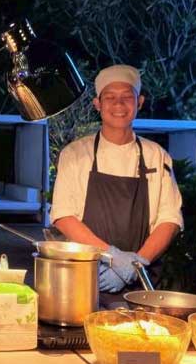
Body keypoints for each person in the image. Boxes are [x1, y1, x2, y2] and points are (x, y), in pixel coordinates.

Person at [50, 65, 183, 308]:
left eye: (127, 97)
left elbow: (170, 219)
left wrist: (137, 262)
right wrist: (110, 255)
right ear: (97, 104)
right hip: (86, 277)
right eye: (110, 97)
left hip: (141, 281)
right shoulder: (75, 154)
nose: (118, 104)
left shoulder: (157, 156)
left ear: (139, 102)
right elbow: (63, 216)